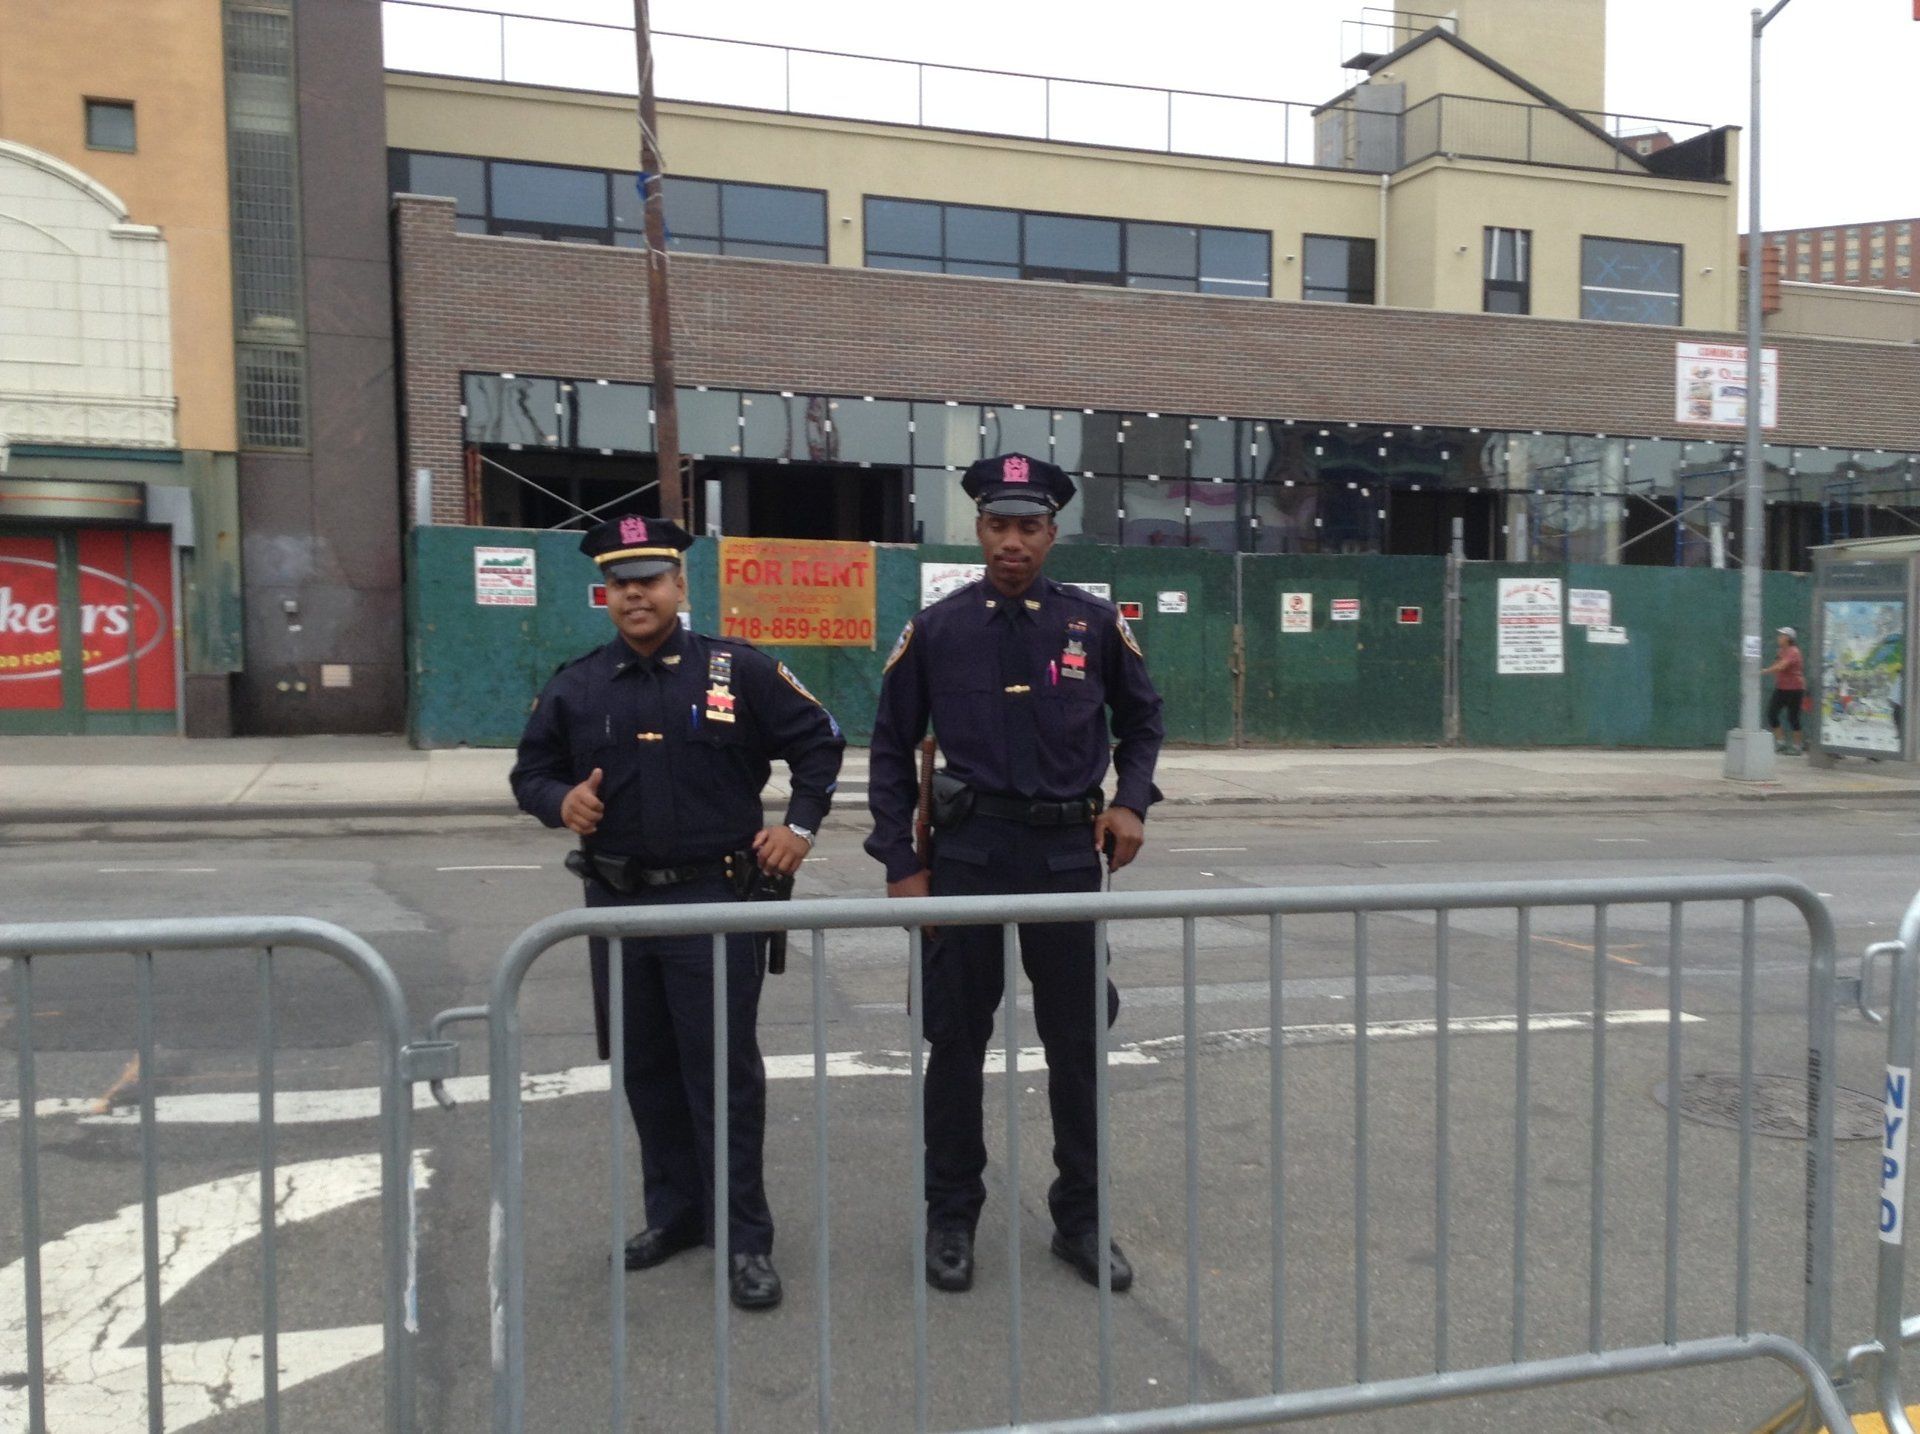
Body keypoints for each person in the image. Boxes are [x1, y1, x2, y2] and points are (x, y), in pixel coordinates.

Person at [510, 513, 845, 1311]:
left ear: (679, 584)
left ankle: (745, 1237)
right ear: (606, 593)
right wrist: (561, 802)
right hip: (616, 907)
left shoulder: (738, 671)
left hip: (713, 903)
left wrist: (798, 828)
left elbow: (821, 742)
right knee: (647, 1070)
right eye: (619, 583)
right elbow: (530, 774)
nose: (635, 595)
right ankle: (676, 1214)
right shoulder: (578, 685)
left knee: (723, 1075)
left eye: (649, 580)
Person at [866, 453, 1165, 1295]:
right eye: (998, 526)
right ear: (978, 530)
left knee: (1077, 1042)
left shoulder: (1091, 625)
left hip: (1066, 857)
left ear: (1052, 534)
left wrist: (1131, 802)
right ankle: (952, 1216)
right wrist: (900, 863)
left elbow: (1144, 720)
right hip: (967, 856)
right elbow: (889, 746)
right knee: (956, 1041)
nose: (1012, 543)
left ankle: (1082, 1219)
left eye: (1028, 527)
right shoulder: (939, 629)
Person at [1762, 624, 1806, 755]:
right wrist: (1771, 667)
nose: (1779, 637)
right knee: (1772, 714)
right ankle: (1780, 742)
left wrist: (1765, 671)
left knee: (1793, 717)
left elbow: (1781, 666)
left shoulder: (1794, 651)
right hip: (1781, 688)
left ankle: (1797, 747)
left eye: (1781, 635)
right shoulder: (1780, 651)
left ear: (1788, 638)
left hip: (1795, 689)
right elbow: (1777, 664)